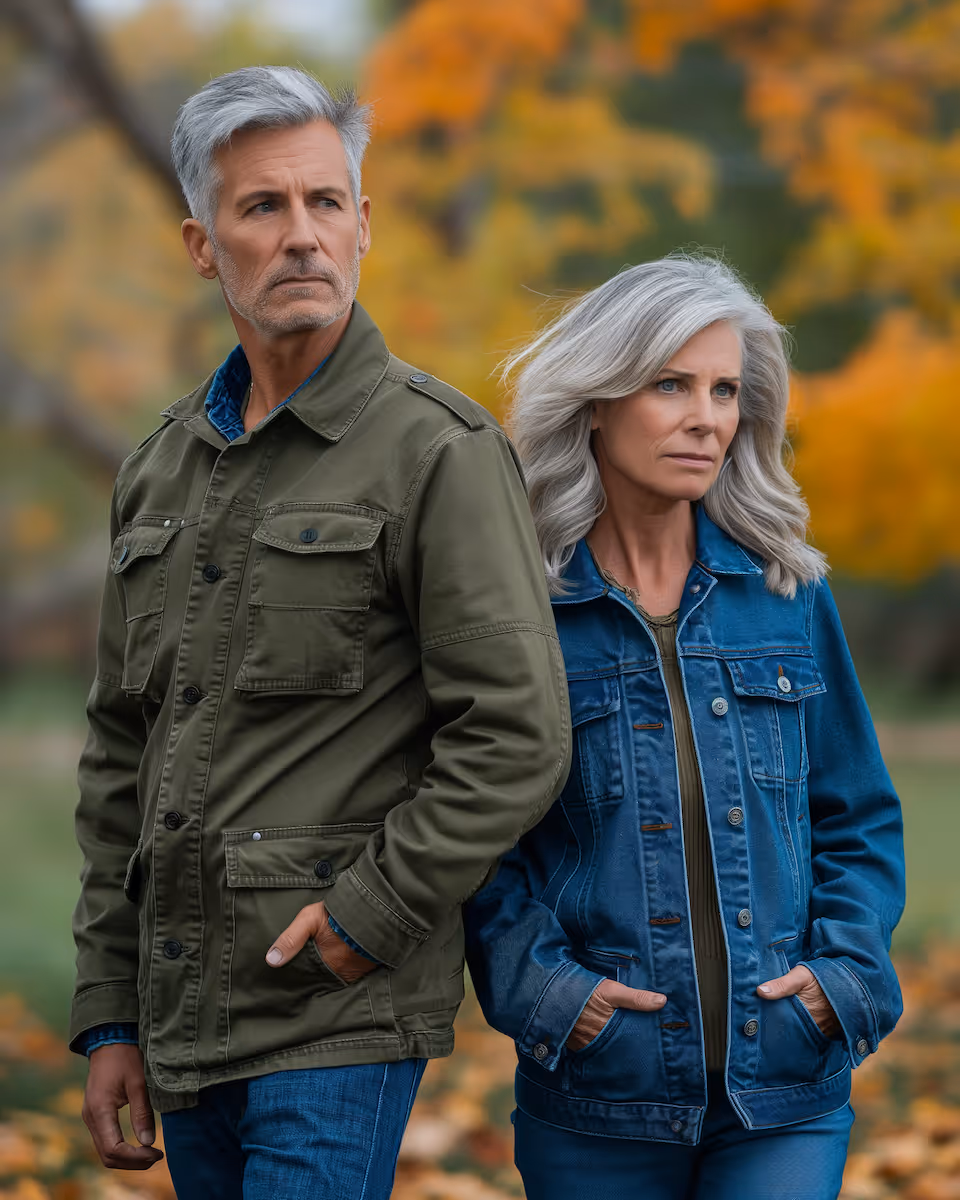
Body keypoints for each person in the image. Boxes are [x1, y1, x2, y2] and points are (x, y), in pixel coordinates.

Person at [70, 66, 570, 1199]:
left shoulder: (437, 451)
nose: (302, 236)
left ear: (365, 225)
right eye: (264, 208)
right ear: (204, 246)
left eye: (326, 203)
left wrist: (369, 916)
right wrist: (109, 1010)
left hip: (333, 1006)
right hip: (181, 1007)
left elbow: (518, 736)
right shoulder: (156, 470)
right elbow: (119, 759)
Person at [464, 254, 905, 1200]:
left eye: (724, 390)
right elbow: (479, 842)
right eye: (671, 385)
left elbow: (859, 814)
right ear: (596, 400)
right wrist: (553, 998)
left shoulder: (786, 592)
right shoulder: (520, 613)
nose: (706, 416)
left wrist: (846, 979)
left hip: (786, 1088)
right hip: (599, 1091)